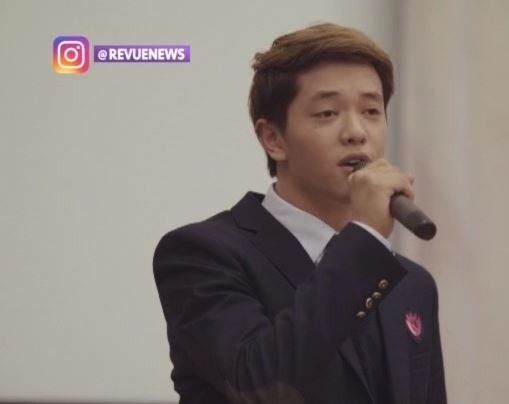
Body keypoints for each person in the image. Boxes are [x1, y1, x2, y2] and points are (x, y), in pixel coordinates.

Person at [153, 22, 446, 404]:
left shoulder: (412, 285)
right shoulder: (202, 254)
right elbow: (258, 383)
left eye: (372, 111)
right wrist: (365, 238)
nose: (356, 132)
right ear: (273, 139)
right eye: (327, 113)